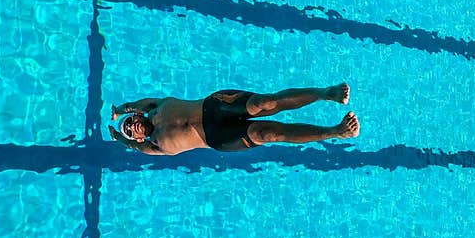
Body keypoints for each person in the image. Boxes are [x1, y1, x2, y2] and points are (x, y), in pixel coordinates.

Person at [108, 83, 359, 155]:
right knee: (270, 134)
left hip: (215, 107)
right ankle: (337, 131)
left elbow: (136, 105)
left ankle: (325, 93)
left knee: (265, 102)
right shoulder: (154, 145)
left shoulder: (157, 106)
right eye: (130, 130)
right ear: (138, 137)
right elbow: (133, 145)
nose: (132, 126)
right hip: (217, 138)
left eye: (130, 122)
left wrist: (121, 110)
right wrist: (121, 138)